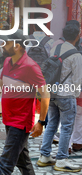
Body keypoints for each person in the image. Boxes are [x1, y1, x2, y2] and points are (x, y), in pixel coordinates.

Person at [0, 29, 50, 175]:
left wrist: (41, 122)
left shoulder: (30, 67)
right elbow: (0, 85)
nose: (2, 45)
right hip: (8, 120)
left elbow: (45, 94)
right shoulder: (8, 61)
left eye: (6, 42)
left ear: (17, 46)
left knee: (5, 164)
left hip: (20, 123)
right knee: (23, 161)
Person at [37, 24, 82, 172]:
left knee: (51, 125)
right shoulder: (76, 55)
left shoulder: (56, 48)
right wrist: (75, 95)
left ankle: (44, 156)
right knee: (67, 127)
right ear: (77, 35)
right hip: (66, 95)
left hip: (52, 93)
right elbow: (77, 80)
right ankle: (61, 160)